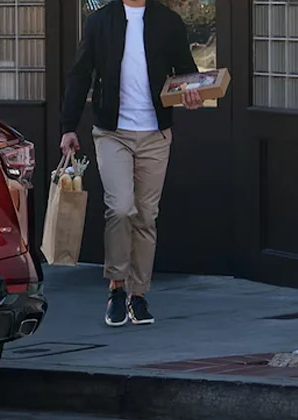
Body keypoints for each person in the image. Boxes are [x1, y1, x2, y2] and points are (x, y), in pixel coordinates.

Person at [60, 0, 203, 327]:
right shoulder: (99, 21)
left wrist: (193, 91)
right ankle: (116, 286)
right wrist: (69, 125)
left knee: (146, 215)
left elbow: (186, 70)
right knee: (121, 208)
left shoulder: (168, 22)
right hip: (113, 133)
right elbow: (81, 74)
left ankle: (138, 294)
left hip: (155, 134)